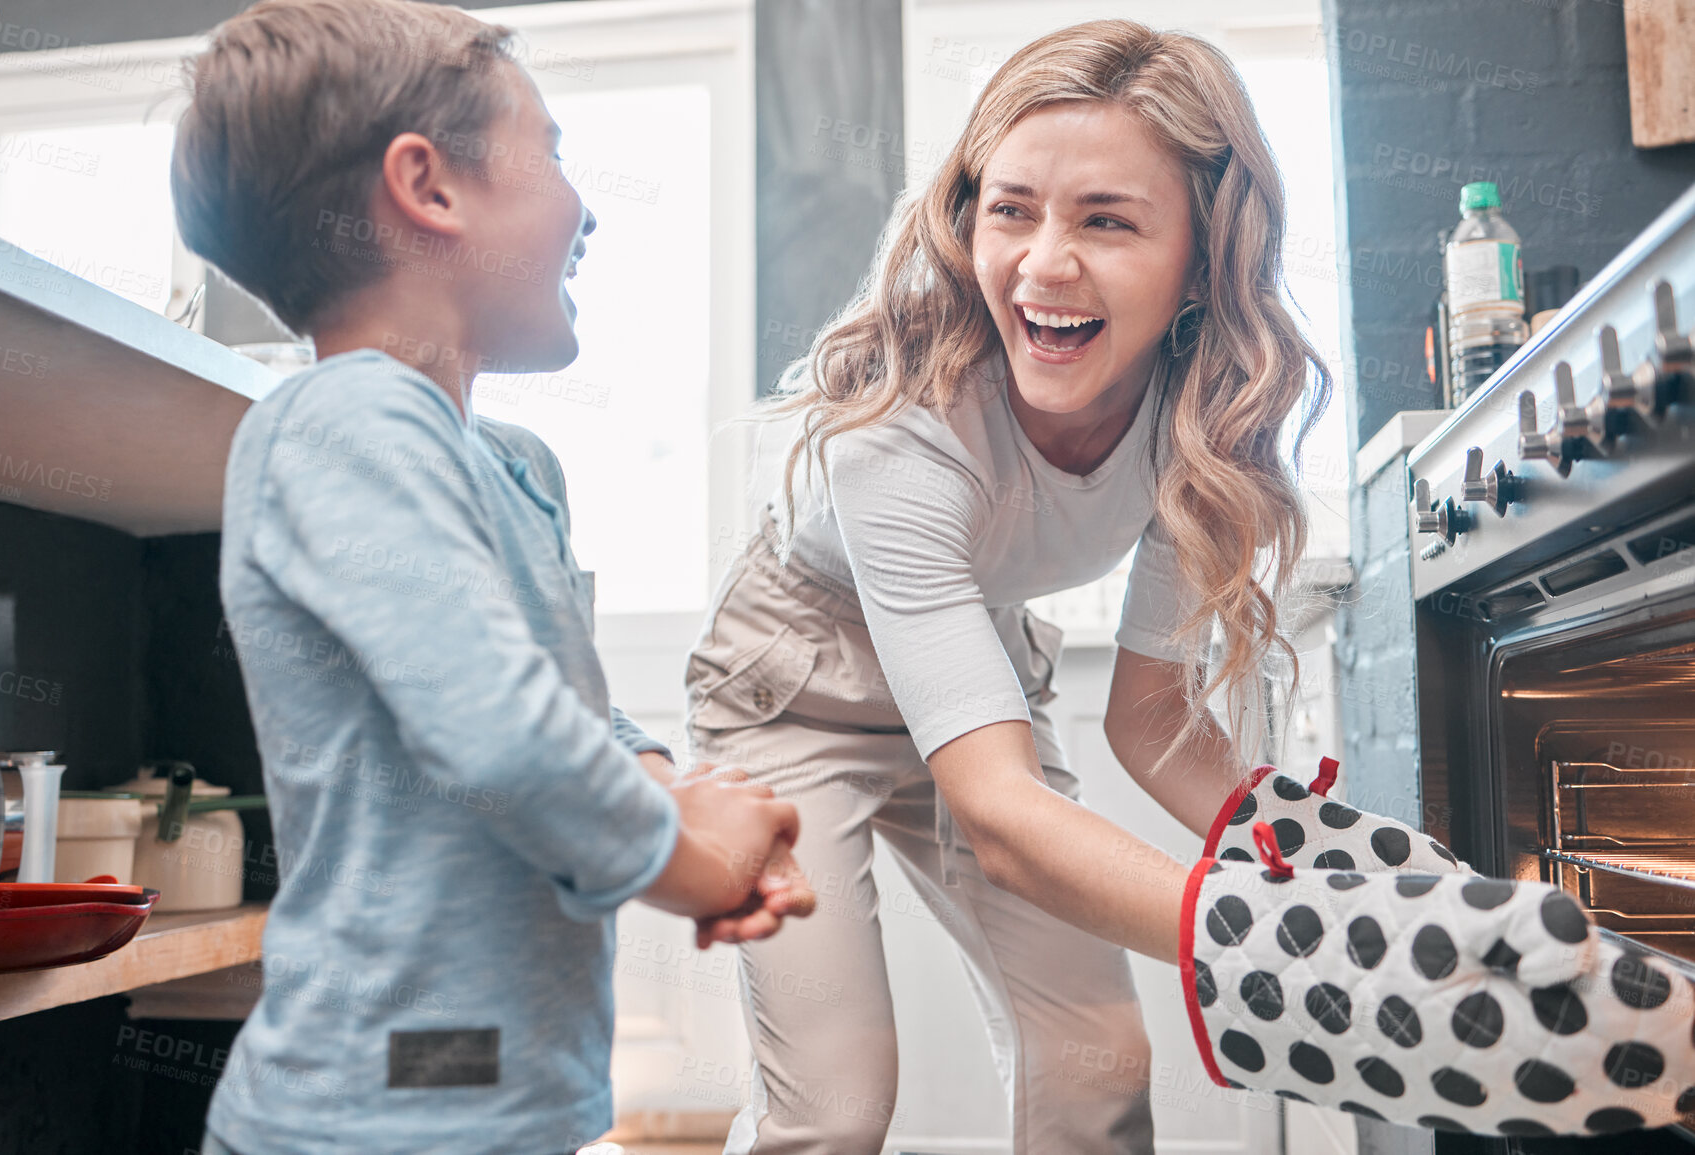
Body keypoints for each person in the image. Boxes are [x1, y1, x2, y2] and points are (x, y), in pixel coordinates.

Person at [686, 19, 1695, 1152]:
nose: (1043, 263)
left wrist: (1343, 871)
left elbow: (1151, 720)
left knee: (1100, 1060)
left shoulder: (1209, 422)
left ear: (1203, 260)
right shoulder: (904, 434)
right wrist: (1297, 943)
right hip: (796, 688)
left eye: (1107, 221)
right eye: (1010, 209)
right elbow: (1006, 817)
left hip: (977, 674)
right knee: (838, 1107)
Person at [167, 3, 812, 1153]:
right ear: (429, 187)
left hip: (502, 1095)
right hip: (374, 1109)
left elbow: (563, 710)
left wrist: (673, 791)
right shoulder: (339, 425)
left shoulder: (515, 465)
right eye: (553, 153)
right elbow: (502, 736)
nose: (588, 206)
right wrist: (696, 860)